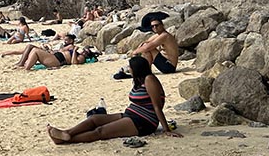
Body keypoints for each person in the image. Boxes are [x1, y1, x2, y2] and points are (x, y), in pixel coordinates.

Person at [47, 56, 182, 144]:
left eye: (130, 67)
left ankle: (66, 140)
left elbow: (157, 106)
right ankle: (66, 133)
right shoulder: (139, 81)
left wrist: (166, 129)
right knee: (94, 119)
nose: (128, 69)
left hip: (144, 121)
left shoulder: (149, 79)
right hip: (131, 114)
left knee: (101, 131)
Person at [13, 34, 78, 70]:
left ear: (71, 41)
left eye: (66, 40)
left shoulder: (71, 46)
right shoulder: (67, 47)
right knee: (30, 46)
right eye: (64, 40)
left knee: (35, 50)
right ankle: (21, 63)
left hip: (56, 60)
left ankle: (23, 66)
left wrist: (50, 50)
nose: (64, 42)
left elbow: (60, 51)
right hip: (53, 57)